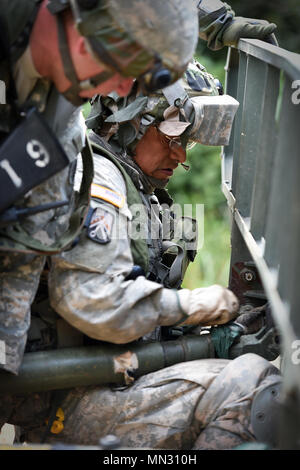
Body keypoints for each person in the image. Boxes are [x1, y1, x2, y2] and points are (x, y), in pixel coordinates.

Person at [0, 62, 282, 450]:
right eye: (171, 138)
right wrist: (192, 305)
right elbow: (94, 301)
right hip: (66, 399)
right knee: (252, 390)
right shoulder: (99, 178)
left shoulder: (137, 185)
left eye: (188, 142)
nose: (181, 156)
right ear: (125, 123)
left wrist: (207, 332)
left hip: (101, 379)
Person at [0, 0, 200, 376]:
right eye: (120, 67)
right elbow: (86, 297)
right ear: (83, 34)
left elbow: (21, 252)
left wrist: (3, 361)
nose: (122, 87)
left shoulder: (61, 126)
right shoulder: (100, 172)